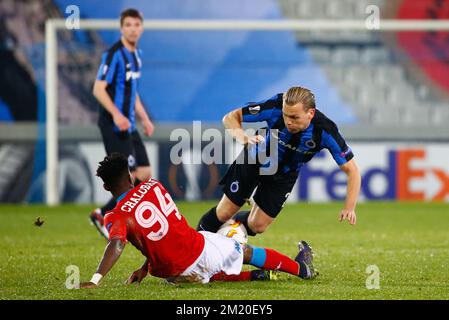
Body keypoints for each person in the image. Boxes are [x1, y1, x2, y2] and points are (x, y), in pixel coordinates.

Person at [80, 153, 316, 288]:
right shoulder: (153, 185)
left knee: (205, 271)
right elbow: (163, 231)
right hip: (199, 250)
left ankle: (255, 276)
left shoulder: (116, 215)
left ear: (106, 186)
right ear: (130, 176)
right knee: (244, 251)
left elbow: (121, 242)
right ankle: (301, 268)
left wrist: (140, 270)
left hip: (170, 273)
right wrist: (96, 281)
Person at [196, 86, 361, 237]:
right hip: (255, 161)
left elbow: (352, 170)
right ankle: (194, 247)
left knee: (257, 225)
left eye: (295, 117)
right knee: (225, 212)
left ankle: (227, 231)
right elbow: (230, 117)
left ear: (310, 113)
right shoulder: (275, 105)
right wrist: (243, 137)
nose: (288, 121)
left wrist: (349, 207)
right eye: (285, 115)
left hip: (284, 175)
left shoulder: (326, 130)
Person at [89, 8, 154, 239]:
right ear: (121, 28)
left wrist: (145, 118)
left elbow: (133, 92)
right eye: (128, 25)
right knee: (129, 174)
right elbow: (98, 88)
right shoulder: (114, 54)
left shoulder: (136, 56)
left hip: (129, 123)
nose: (133, 29)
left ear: (142, 28)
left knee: (144, 173)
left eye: (136, 25)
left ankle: (108, 214)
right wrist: (116, 114)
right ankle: (107, 216)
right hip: (113, 123)